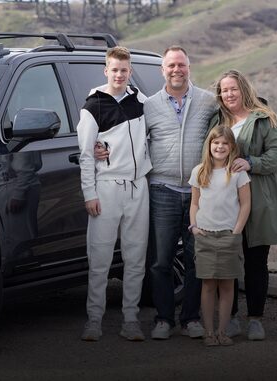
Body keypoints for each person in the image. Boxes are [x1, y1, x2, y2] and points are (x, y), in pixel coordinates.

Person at [97, 46, 220, 340]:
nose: (176, 70)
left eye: (181, 65)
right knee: (161, 260)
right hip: (161, 189)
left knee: (195, 260)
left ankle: (190, 318)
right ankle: (163, 319)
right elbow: (127, 136)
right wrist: (103, 147)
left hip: (197, 191)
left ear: (189, 67)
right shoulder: (148, 105)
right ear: (161, 70)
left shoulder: (207, 101)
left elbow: (227, 132)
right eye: (171, 66)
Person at [212, 69, 277, 341]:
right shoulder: (217, 119)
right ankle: (231, 316)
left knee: (255, 261)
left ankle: (256, 319)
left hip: (257, 200)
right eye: (224, 90)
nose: (229, 94)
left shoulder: (263, 118)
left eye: (233, 89)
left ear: (243, 89)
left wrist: (252, 163)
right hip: (224, 202)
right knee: (228, 261)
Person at [76, 46, 152, 342]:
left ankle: (130, 320)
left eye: (124, 70)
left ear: (130, 72)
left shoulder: (142, 102)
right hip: (106, 188)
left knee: (136, 259)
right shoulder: (92, 106)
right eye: (114, 69)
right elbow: (85, 154)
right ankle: (94, 320)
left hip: (138, 187)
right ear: (106, 71)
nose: (119, 75)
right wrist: (89, 193)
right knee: (100, 258)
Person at [188, 126, 251, 346]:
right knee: (207, 286)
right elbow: (194, 203)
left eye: (225, 143)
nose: (220, 147)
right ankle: (209, 332)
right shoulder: (199, 171)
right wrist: (194, 227)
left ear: (231, 147)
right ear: (209, 145)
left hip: (228, 236)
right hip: (204, 235)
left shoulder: (237, 173)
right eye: (216, 143)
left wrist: (236, 232)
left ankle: (223, 332)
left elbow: (245, 205)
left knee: (226, 286)